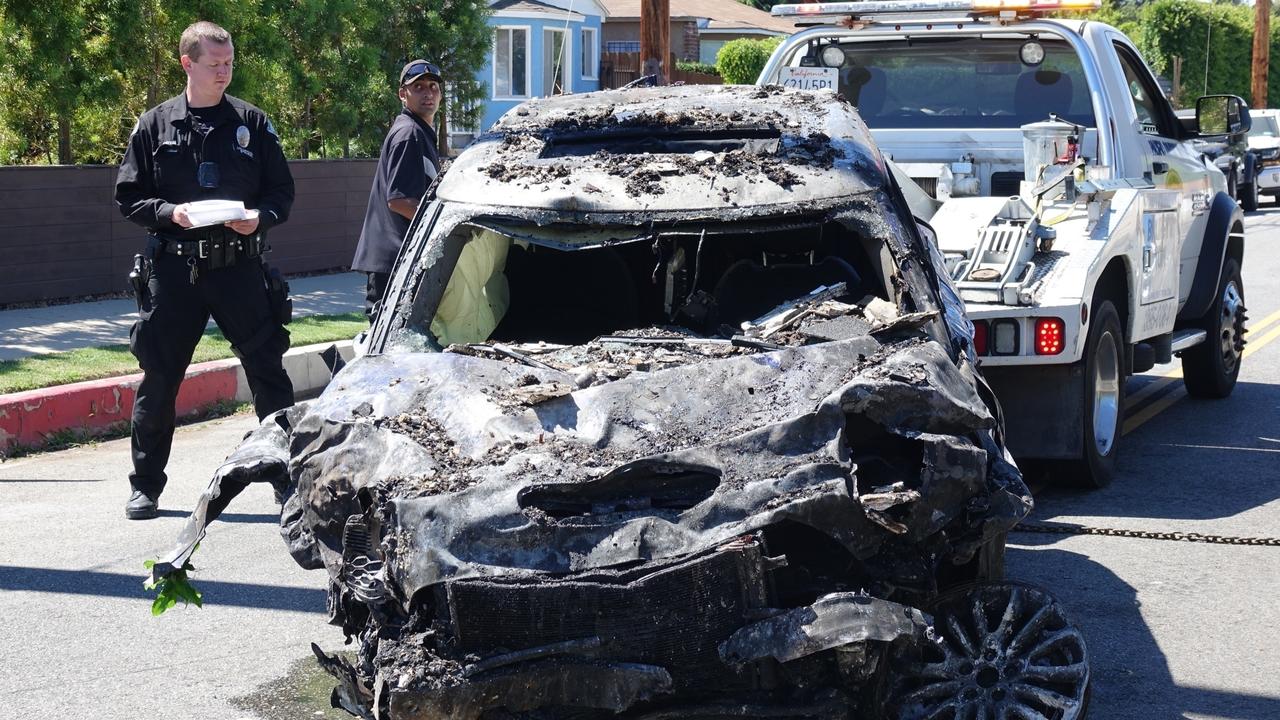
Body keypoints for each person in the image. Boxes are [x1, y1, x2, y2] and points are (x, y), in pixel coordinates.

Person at [115, 20, 295, 520]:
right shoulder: (154, 125)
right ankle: (145, 485)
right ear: (187, 63)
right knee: (160, 377)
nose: (224, 71)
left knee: (268, 374)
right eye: (215, 63)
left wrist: (262, 218)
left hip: (239, 268)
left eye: (229, 62)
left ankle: (289, 481)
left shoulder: (252, 124)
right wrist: (169, 213)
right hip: (174, 273)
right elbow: (128, 196)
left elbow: (282, 193)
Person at [352, 59, 443, 320]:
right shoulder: (409, 134)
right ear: (403, 94)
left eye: (433, 86)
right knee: (387, 350)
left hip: (396, 260)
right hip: (393, 263)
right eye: (419, 87)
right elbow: (399, 200)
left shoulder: (419, 132)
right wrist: (441, 225)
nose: (428, 93)